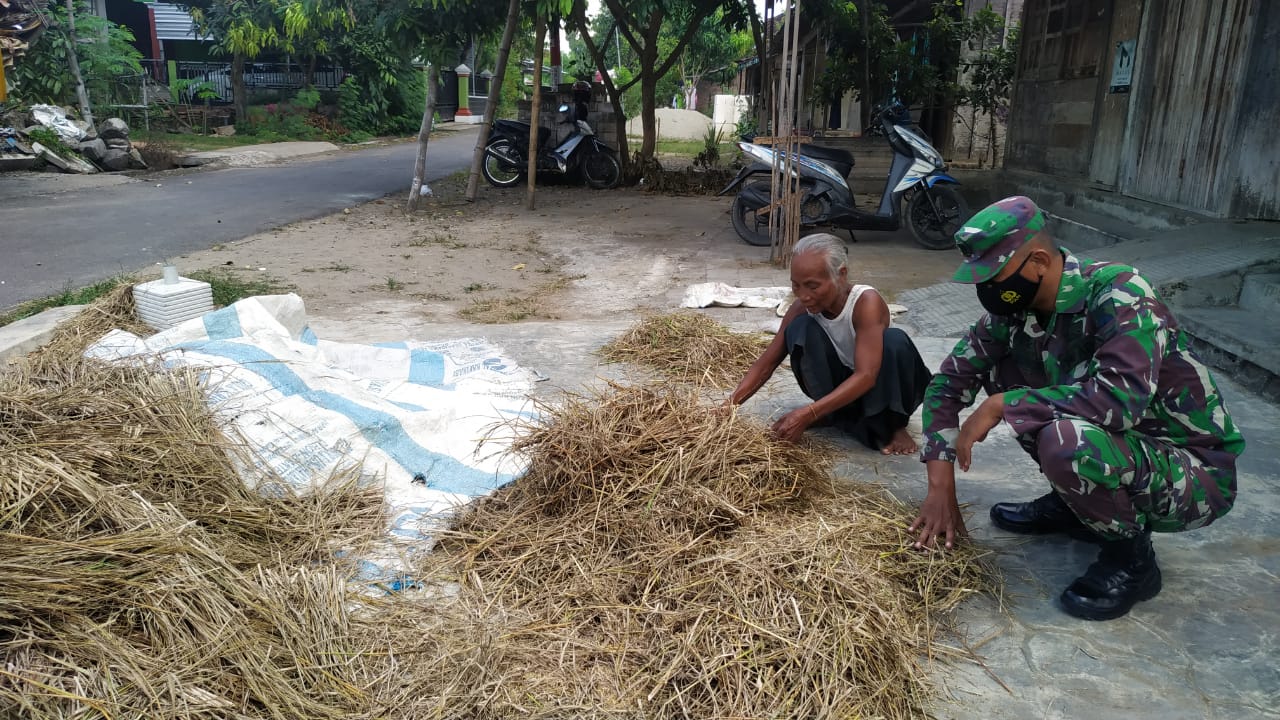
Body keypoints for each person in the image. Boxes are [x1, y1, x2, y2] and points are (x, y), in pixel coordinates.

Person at [909, 195, 1245, 621]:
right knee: (1010, 373)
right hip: (1129, 453)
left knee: (1062, 436)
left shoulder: (1120, 293)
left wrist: (1001, 405)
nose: (987, 290)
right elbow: (948, 384)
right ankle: (1076, 505)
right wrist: (940, 488)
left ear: (1038, 262)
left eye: (995, 275)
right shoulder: (1015, 312)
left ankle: (1132, 560)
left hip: (1193, 473)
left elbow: (1118, 403)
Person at [727, 233, 933, 455]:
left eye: (812, 286)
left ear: (841, 274)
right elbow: (766, 363)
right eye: (796, 286)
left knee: (895, 341)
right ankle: (834, 414)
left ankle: (892, 425)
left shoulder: (865, 303)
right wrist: (728, 406)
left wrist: (807, 414)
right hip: (843, 391)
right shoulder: (800, 309)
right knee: (800, 327)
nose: (804, 296)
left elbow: (867, 375)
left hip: (879, 390)